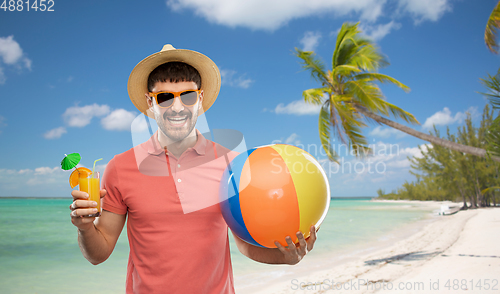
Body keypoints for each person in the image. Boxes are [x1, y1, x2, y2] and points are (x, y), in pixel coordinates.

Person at [69, 44, 318, 293]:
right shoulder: (121, 168)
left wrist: (285, 257)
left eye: (187, 96)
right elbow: (98, 254)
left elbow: (244, 244)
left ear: (199, 99)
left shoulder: (232, 164)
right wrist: (85, 228)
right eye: (164, 97)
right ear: (150, 102)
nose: (177, 107)